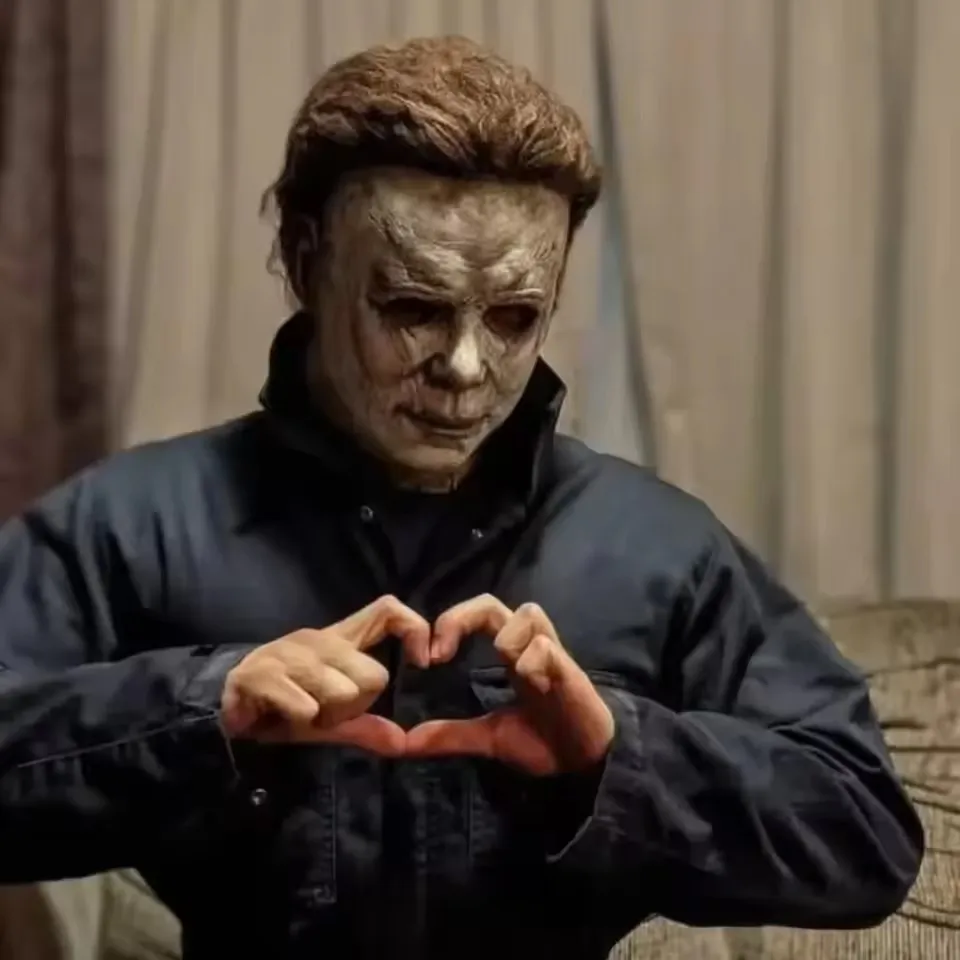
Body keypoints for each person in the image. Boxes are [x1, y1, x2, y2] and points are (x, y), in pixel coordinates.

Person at [0, 35, 922, 960]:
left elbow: (866, 834)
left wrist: (615, 757)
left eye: (516, 318)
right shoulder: (131, 525)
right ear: (306, 260)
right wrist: (207, 707)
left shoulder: (660, 548)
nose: (468, 368)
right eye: (412, 308)